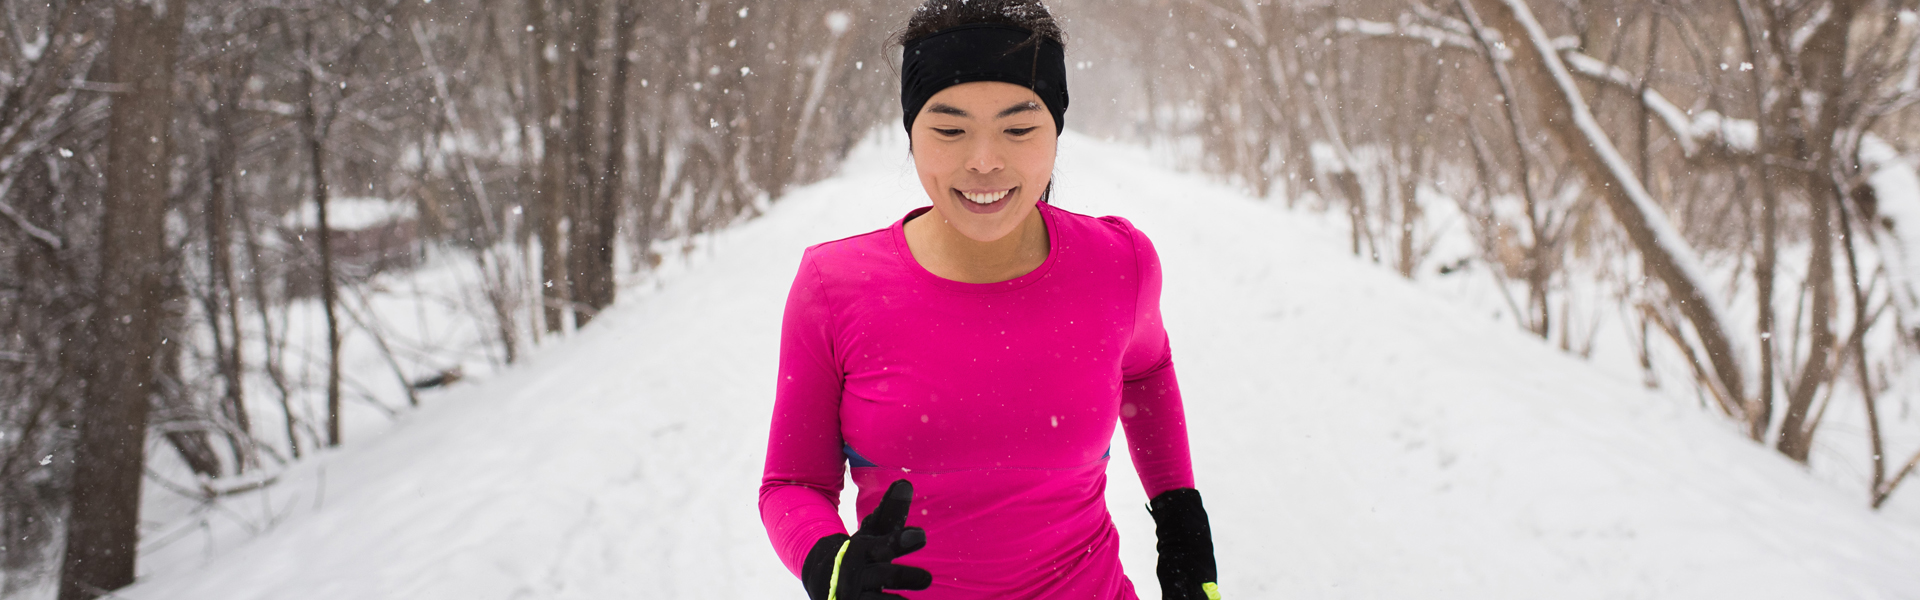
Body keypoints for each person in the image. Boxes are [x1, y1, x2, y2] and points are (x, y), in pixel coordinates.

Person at [758, 1, 1219, 598]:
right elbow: (792, 483)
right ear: (910, 135)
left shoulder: (1117, 263)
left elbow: (1147, 369)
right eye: (949, 129)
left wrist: (1181, 525)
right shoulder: (834, 285)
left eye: (1019, 128)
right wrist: (829, 560)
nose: (983, 161)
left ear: (1056, 130)